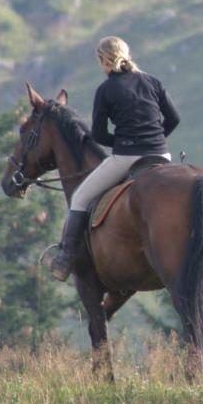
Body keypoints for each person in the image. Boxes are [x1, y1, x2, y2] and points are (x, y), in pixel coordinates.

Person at [47, 35, 180, 281]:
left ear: (103, 61)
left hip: (126, 157)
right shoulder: (153, 82)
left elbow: (98, 134)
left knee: (80, 197)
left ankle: (65, 259)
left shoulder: (106, 89)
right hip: (161, 155)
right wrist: (156, 139)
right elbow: (174, 119)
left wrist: (121, 144)